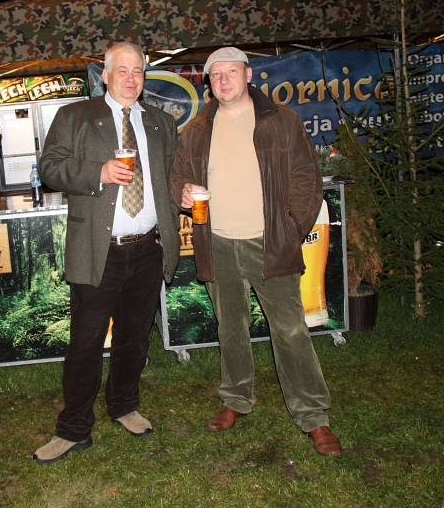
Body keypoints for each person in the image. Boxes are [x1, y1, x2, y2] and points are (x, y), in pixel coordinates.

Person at [169, 47, 342, 456]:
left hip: (270, 242)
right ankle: (236, 398)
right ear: (208, 82)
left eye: (231, 72)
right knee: (230, 327)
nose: (223, 80)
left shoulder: (282, 121)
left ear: (248, 75)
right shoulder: (196, 130)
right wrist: (182, 192)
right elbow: (178, 178)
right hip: (218, 243)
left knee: (291, 330)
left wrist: (290, 229)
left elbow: (307, 179)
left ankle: (313, 416)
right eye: (216, 75)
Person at [33, 41, 180, 463]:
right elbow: (49, 169)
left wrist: (183, 194)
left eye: (138, 71)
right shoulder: (75, 116)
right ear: (107, 74)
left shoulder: (160, 123)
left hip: (148, 248)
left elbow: (172, 176)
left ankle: (124, 405)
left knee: (134, 339)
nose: (131, 79)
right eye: (123, 71)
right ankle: (73, 428)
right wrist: (97, 172)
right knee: (86, 343)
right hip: (99, 250)